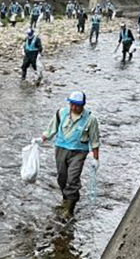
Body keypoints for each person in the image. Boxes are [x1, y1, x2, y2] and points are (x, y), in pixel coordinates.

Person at [41, 91, 101, 219]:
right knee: (62, 178)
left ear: (83, 105)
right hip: (61, 149)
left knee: (72, 178)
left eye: (77, 105)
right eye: (72, 104)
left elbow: (95, 140)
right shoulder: (61, 113)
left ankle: (70, 208)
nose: (74, 108)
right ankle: (65, 199)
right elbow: (52, 129)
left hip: (79, 152)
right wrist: (42, 138)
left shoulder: (90, 119)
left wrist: (96, 159)